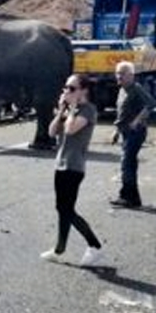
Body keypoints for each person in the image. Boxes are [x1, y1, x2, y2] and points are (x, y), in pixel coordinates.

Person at [41, 74, 103, 266]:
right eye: (66, 88)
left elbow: (71, 129)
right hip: (61, 164)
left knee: (66, 209)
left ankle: (95, 246)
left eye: (72, 88)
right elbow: (52, 131)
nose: (67, 91)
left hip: (74, 166)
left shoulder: (88, 110)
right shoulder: (69, 110)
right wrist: (61, 111)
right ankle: (59, 249)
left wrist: (73, 108)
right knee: (63, 209)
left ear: (84, 91)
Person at [111, 61, 155, 208]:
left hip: (136, 132)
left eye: (122, 73)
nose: (119, 76)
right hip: (125, 131)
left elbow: (151, 103)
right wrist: (116, 131)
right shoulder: (122, 90)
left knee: (126, 163)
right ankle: (132, 198)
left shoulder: (136, 88)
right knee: (129, 164)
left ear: (131, 75)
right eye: (117, 73)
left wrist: (137, 120)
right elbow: (121, 113)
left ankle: (127, 197)